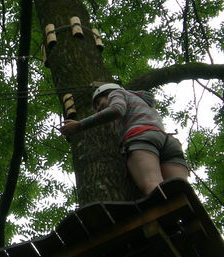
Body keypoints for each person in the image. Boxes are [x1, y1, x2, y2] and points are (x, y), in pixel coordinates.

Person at [59, 83, 189, 195]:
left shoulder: (116, 93)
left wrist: (79, 125)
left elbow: (117, 109)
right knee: (180, 193)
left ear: (107, 93)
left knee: (154, 186)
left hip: (143, 138)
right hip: (168, 142)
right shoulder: (140, 102)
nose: (98, 108)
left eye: (98, 103)